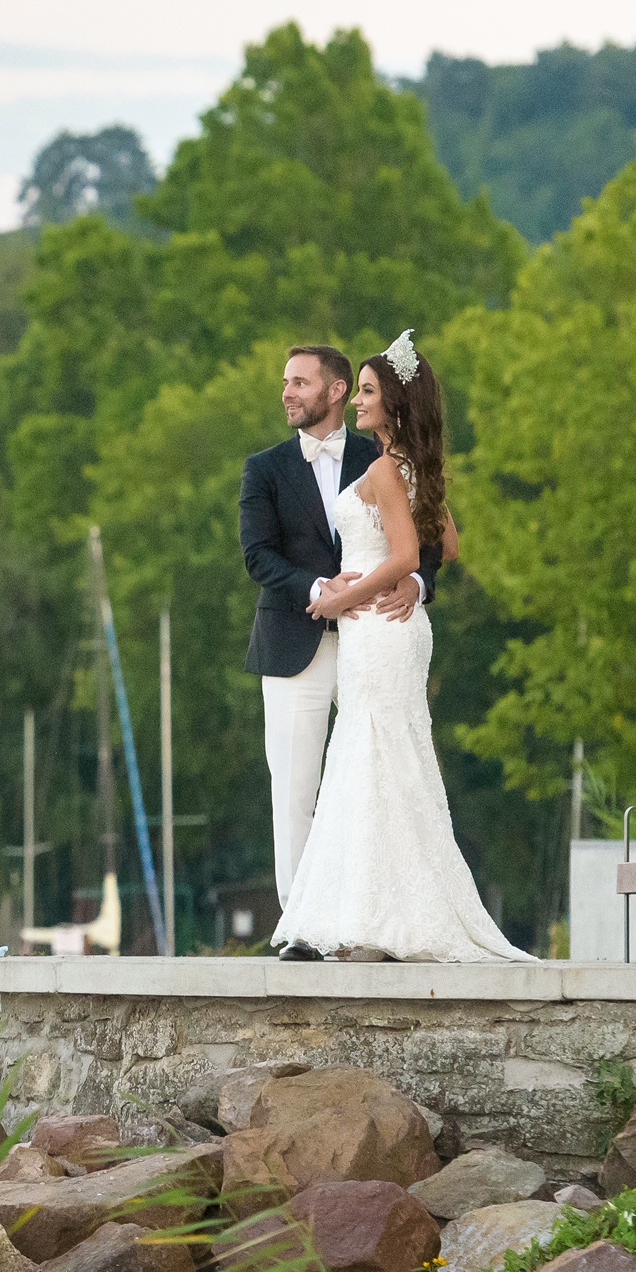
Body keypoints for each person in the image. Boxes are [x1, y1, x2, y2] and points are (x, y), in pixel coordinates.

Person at [267, 332, 529, 963]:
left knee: (369, 756)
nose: (358, 403)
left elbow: (416, 554)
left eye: (368, 392)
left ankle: (363, 921)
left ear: (395, 405)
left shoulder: (385, 468)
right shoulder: (411, 467)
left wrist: (346, 597)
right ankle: (377, 915)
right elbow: (451, 543)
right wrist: (403, 575)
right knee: (387, 761)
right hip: (389, 633)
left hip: (379, 634)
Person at [238, 343, 438, 919]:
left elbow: (426, 541)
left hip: (372, 645)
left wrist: (418, 584)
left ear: (336, 390)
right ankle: (300, 923)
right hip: (291, 646)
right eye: (285, 382)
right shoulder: (265, 468)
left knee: (364, 785)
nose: (287, 393)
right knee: (296, 792)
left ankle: (363, 916)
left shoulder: (380, 455)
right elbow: (257, 556)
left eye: (300, 382)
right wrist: (317, 589)